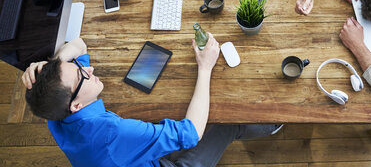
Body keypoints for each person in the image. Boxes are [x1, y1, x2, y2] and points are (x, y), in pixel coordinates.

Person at [23, 37, 280, 166]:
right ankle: (274, 126)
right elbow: (191, 133)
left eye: (78, 66)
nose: (89, 69)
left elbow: (79, 44)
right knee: (225, 123)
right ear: (76, 106)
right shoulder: (114, 133)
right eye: (81, 75)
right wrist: (205, 67)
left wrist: (51, 65)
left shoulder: (52, 110)